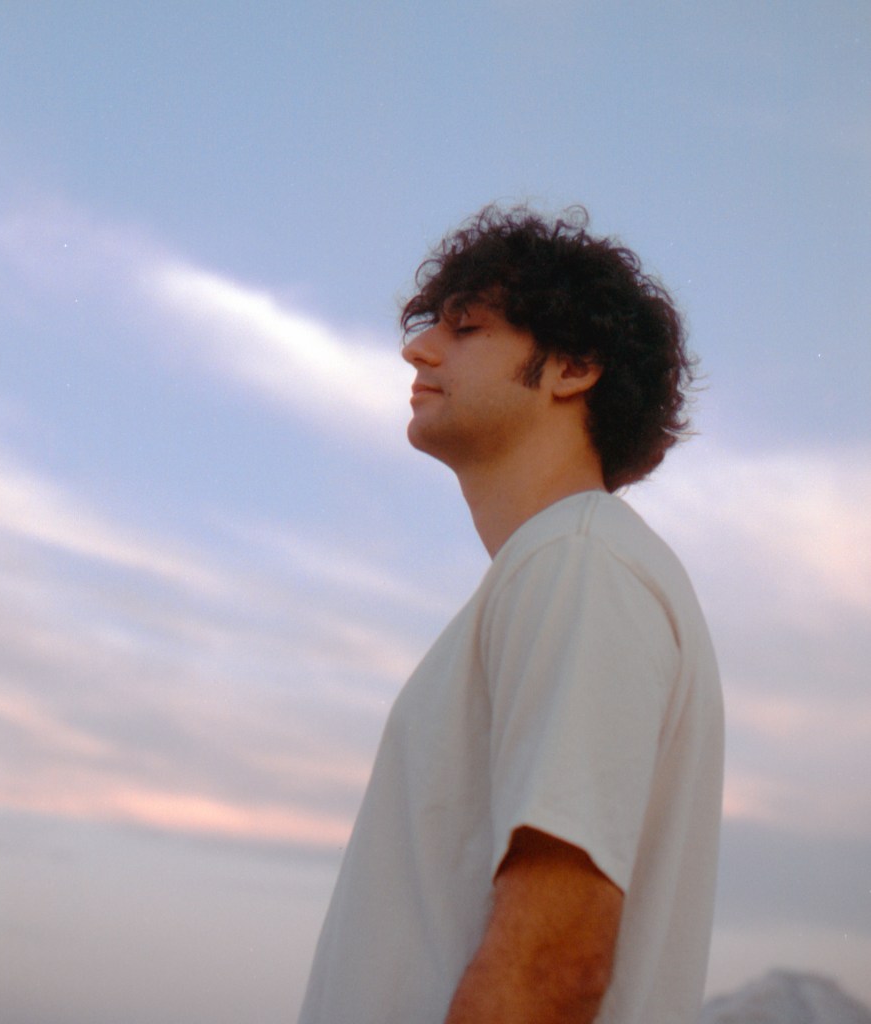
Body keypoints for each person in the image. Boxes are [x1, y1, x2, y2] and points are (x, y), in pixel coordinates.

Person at [297, 206, 724, 1024]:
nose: (418, 350)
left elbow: (550, 962)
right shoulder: (560, 568)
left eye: (465, 328)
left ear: (573, 367)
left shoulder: (578, 564)